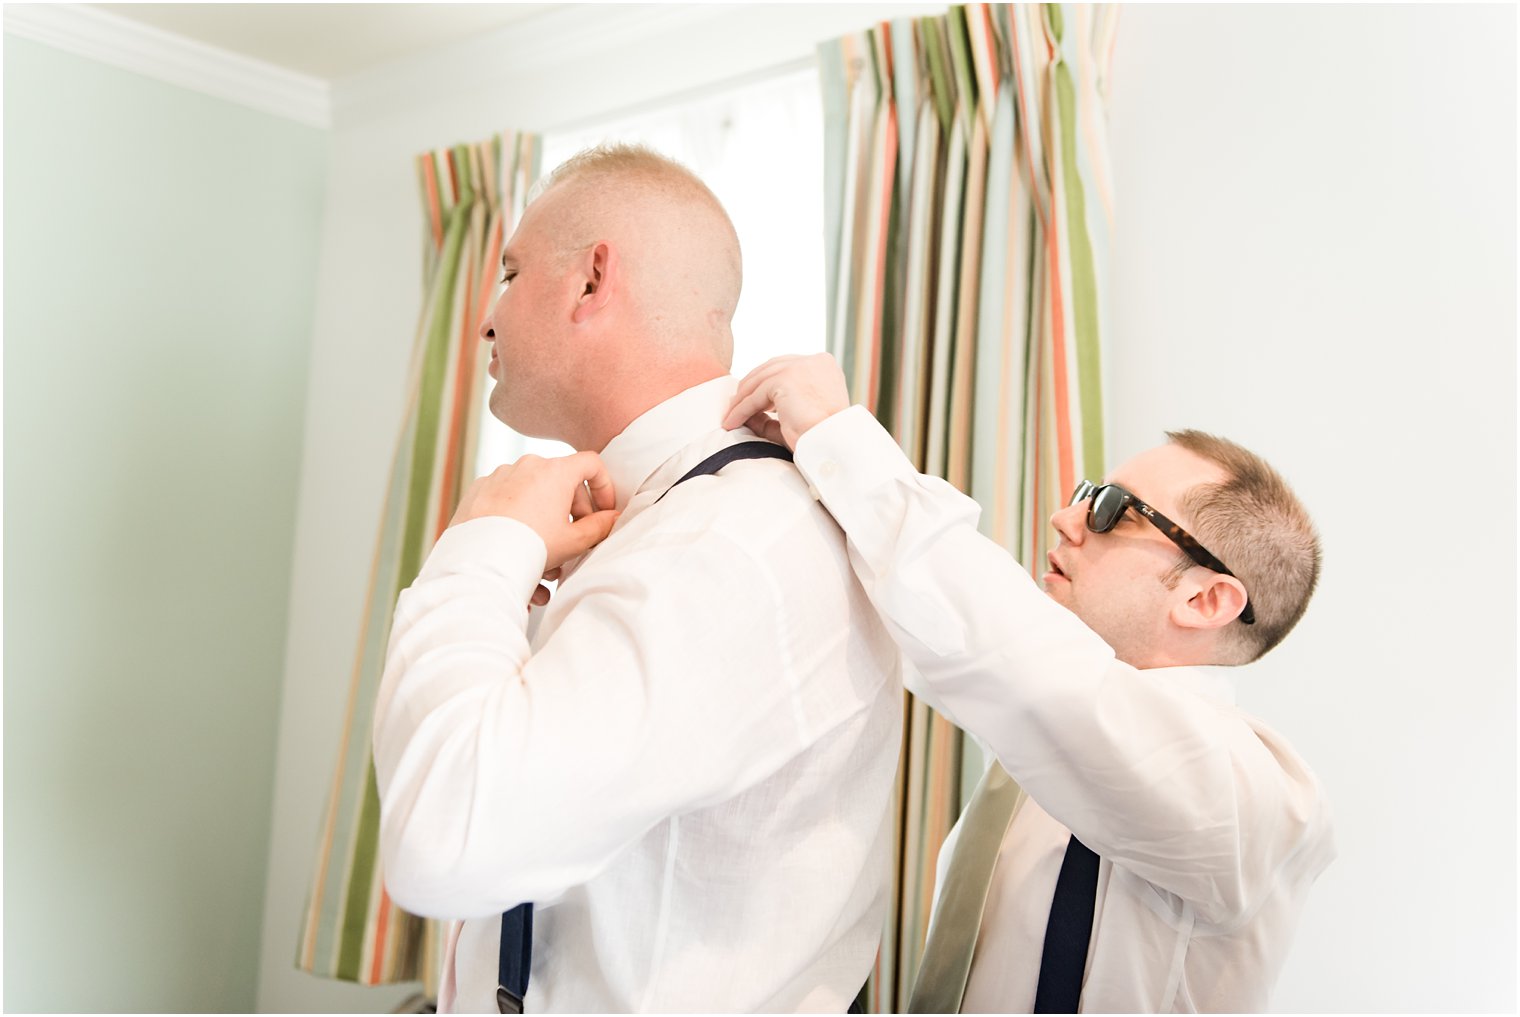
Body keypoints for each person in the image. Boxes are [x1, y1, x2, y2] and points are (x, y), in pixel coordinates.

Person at [371, 149, 903, 1013]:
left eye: (508, 272)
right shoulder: (666, 521)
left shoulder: (733, 540)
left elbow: (446, 836)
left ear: (591, 281)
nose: (484, 321)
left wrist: (480, 545)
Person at [724, 353, 1335, 1013]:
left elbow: (1008, 651)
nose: (1066, 520)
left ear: (1206, 600)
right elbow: (947, 640)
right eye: (1085, 495)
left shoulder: (1253, 797)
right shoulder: (1046, 761)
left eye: (1112, 510)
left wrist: (841, 439)